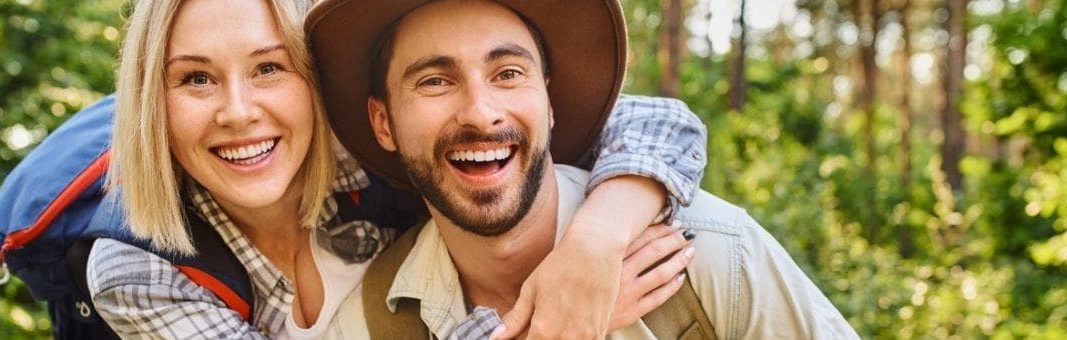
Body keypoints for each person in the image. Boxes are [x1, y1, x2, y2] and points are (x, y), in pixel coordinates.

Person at [86, 0, 712, 338]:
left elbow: (658, 121)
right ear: (151, 101)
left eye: (269, 68)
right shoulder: (136, 264)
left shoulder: (375, 155)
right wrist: (553, 327)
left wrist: (592, 249)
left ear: (312, 81)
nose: (239, 111)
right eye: (195, 79)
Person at [308, 0, 861, 338]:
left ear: (548, 102)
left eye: (508, 73)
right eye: (434, 81)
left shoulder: (709, 259)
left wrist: (593, 244)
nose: (480, 112)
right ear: (383, 123)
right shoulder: (369, 326)